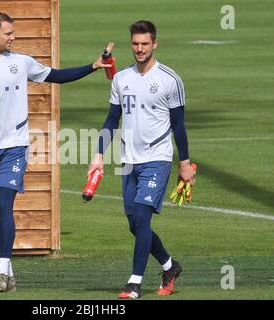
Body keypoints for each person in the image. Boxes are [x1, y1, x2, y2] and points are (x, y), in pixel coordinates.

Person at [0, 12, 113, 293]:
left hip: (15, 148)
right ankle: (7, 272)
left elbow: (57, 76)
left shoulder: (22, 63)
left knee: (4, 205)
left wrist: (93, 66)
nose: (13, 37)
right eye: (8, 33)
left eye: (13, 32)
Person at [88, 20, 195, 298]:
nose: (139, 49)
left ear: (154, 44)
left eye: (145, 44)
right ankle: (170, 266)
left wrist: (184, 163)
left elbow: (179, 126)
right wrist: (99, 155)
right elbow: (112, 119)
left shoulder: (170, 80)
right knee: (135, 225)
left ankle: (134, 283)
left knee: (143, 220)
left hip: (157, 159)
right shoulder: (122, 79)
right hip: (128, 161)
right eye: (135, 44)